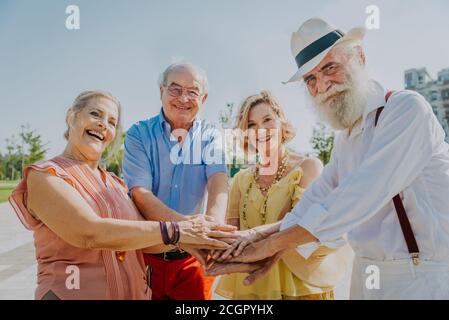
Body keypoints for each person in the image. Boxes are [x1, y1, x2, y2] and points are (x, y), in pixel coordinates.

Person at [207, 18, 449, 300]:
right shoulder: (345, 140)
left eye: (329, 67)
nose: (322, 85)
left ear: (359, 56)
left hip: (422, 278)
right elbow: (317, 200)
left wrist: (271, 245)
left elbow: (359, 196)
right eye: (310, 79)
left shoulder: (406, 110)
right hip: (366, 276)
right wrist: (254, 237)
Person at [8, 90, 234, 300]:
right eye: (95, 113)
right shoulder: (46, 175)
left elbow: (145, 242)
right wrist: (179, 230)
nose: (103, 124)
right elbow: (89, 232)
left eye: (112, 122)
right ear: (71, 117)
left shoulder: (116, 185)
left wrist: (197, 240)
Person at [213, 90, 339, 300]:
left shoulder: (308, 167)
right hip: (253, 287)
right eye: (251, 125)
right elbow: (231, 235)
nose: (260, 130)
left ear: (281, 122)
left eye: (267, 119)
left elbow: (307, 226)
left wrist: (260, 243)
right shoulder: (239, 181)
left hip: (301, 284)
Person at [122, 62, 229, 300]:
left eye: (193, 91)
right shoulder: (138, 134)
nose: (184, 98)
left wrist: (211, 230)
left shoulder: (211, 136)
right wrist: (185, 230)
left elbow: (218, 182)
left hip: (192, 261)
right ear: (161, 91)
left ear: (204, 97)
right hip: (146, 257)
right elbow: (140, 193)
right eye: (175, 89)